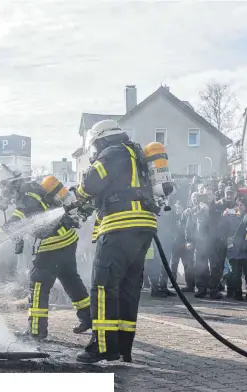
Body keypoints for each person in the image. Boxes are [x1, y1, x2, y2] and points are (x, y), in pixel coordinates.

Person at [0, 164, 92, 340]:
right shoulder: (33, 188)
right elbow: (25, 225)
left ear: (11, 184)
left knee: (38, 285)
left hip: (53, 245)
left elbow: (11, 227)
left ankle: (36, 331)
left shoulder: (27, 199)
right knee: (71, 280)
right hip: (68, 241)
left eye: (3, 186)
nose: (3, 191)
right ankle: (88, 318)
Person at [73, 119, 160, 363]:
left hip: (119, 225)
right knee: (128, 290)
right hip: (143, 227)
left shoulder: (112, 152)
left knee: (102, 288)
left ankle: (101, 347)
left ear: (100, 139)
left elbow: (90, 183)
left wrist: (79, 192)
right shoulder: (136, 153)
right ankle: (123, 347)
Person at [186, 185, 226, 299]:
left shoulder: (219, 208)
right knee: (200, 267)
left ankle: (213, 290)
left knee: (216, 267)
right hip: (200, 243)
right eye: (205, 194)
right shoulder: (195, 209)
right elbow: (189, 226)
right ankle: (201, 289)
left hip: (215, 242)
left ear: (214, 195)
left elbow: (222, 224)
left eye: (209, 194)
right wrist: (189, 240)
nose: (207, 196)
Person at [226, 199, 247, 301]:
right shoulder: (229, 218)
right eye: (237, 205)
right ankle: (237, 293)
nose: (239, 207)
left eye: (241, 205)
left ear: (245, 207)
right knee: (235, 274)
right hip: (233, 251)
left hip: (246, 251)